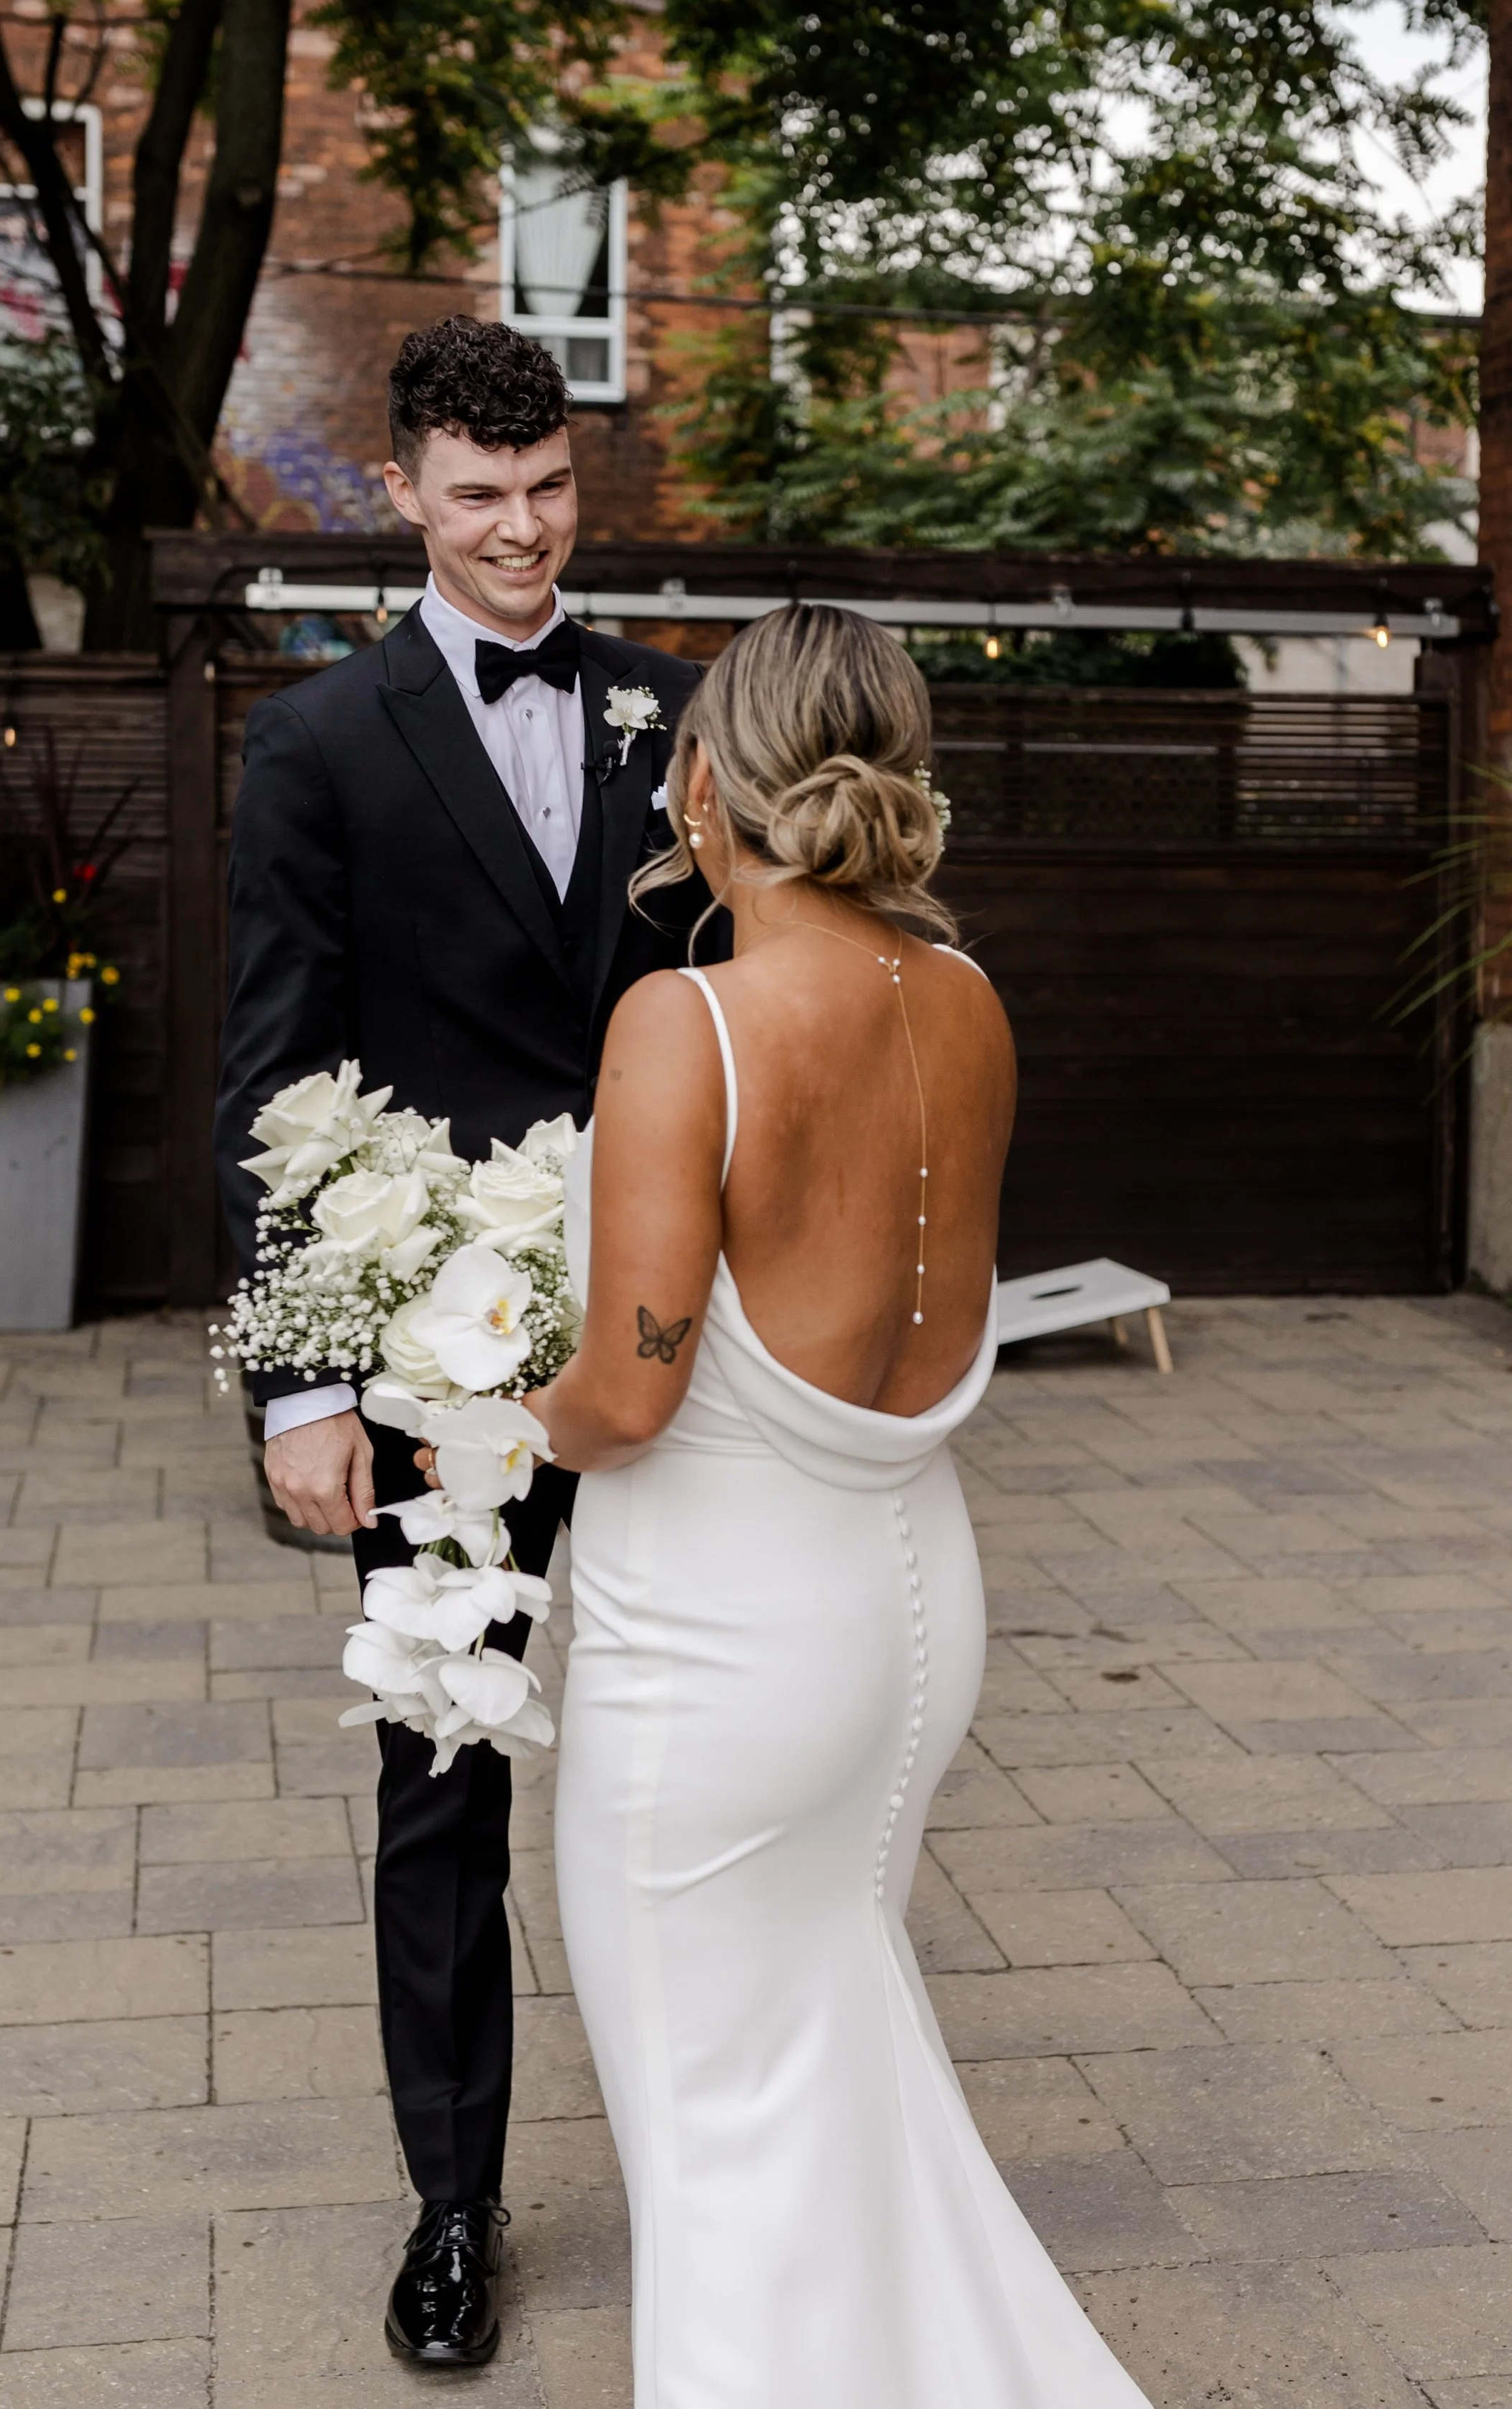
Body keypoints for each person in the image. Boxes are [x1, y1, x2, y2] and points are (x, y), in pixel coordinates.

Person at [522, 605, 1155, 2407]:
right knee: (833, 2062)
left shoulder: (685, 1021)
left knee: (715, 2149)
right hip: (902, 1617)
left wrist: (476, 1408)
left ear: (709, 777)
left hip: (721, 1665)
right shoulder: (962, 1003)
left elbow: (627, 1397)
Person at [213, 315, 714, 2370]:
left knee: (694, 1759)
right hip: (435, 1352)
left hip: (670, 1336)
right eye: (480, 496)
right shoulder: (318, 743)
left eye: (551, 493)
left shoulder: (674, 714)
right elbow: (280, 1067)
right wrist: (305, 1383)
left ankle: (722, 2168)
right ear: (402, 495)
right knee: (446, 1776)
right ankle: (452, 2200)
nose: (521, 532)